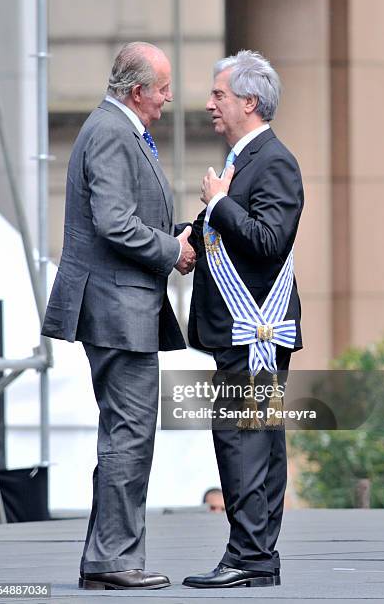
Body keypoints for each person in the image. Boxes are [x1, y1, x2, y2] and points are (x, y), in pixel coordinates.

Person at [41, 42, 195, 591]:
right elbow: (113, 222)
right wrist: (170, 250)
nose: (169, 97)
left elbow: (123, 218)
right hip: (115, 308)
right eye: (163, 87)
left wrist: (170, 238)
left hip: (119, 306)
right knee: (129, 435)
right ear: (137, 91)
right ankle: (113, 561)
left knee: (124, 434)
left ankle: (105, 557)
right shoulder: (111, 131)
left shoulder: (115, 128)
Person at [184, 50, 304, 589]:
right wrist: (192, 230)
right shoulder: (244, 158)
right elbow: (231, 223)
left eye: (219, 95)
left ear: (249, 102)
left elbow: (267, 240)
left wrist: (218, 203)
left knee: (243, 441)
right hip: (236, 330)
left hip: (255, 328)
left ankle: (249, 558)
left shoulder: (273, 161)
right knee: (248, 439)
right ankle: (254, 556)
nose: (210, 104)